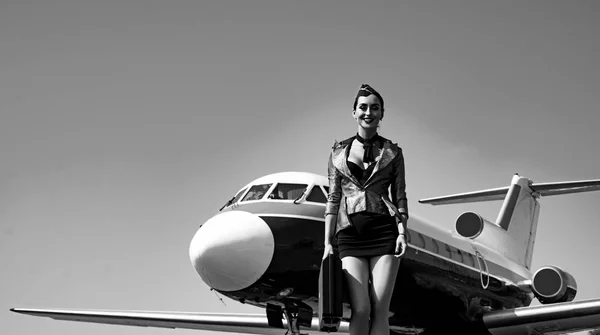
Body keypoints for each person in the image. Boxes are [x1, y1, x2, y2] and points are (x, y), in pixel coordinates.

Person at [323, 84, 409, 335]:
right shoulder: (337, 153)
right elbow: (333, 198)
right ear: (354, 113)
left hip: (384, 232)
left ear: (382, 114)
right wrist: (328, 243)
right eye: (363, 107)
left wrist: (402, 232)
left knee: (380, 309)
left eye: (375, 108)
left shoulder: (394, 152)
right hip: (350, 234)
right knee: (360, 309)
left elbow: (400, 196)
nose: (368, 112)